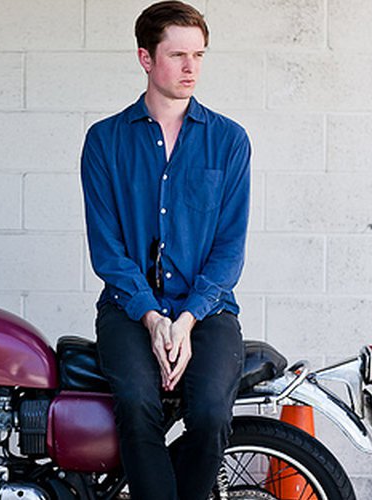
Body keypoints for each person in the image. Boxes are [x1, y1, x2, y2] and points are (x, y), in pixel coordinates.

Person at [80, 2, 251, 499]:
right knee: (137, 406)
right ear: (146, 58)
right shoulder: (105, 141)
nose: (191, 67)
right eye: (177, 55)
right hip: (129, 309)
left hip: (208, 310)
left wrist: (188, 319)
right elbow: (108, 249)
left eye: (199, 55)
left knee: (211, 412)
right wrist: (153, 319)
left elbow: (229, 248)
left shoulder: (229, 141)